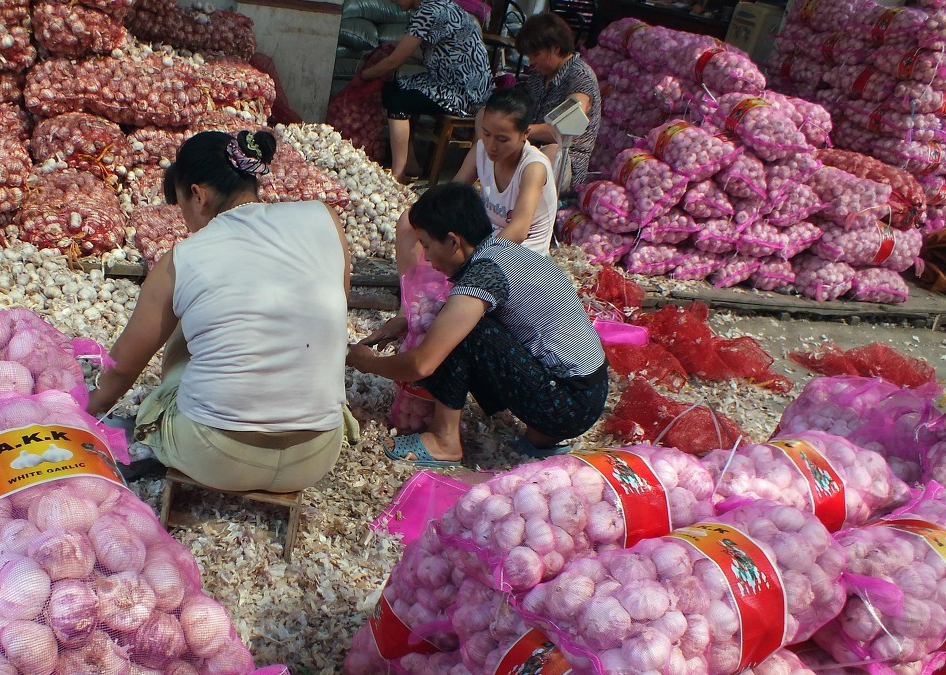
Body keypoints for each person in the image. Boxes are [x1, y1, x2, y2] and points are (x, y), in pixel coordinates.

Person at [86, 130, 350, 493]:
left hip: (218, 457)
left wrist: (84, 410)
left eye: (182, 209)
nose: (187, 223)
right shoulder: (325, 219)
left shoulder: (182, 260)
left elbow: (122, 370)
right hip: (315, 455)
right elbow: (331, 316)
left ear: (198, 196)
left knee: (183, 331)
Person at [347, 183, 606, 467]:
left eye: (427, 245)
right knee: (455, 320)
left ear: (453, 241)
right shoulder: (502, 249)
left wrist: (369, 363)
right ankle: (541, 434)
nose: (427, 257)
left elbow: (422, 365)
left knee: (458, 331)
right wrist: (403, 322)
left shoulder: (483, 276)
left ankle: (444, 441)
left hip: (567, 404)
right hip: (586, 391)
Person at [394, 86, 557, 274]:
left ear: (525, 134)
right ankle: (409, 298)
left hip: (520, 254)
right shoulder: (481, 151)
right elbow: (451, 195)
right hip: (485, 240)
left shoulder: (533, 167)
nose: (492, 146)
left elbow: (519, 230)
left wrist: (478, 259)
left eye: (502, 139)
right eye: (486, 134)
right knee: (408, 220)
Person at [358, 0, 493, 184]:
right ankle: (410, 163)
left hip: (464, 92)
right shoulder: (439, 5)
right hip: (450, 82)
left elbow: (393, 62)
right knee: (392, 89)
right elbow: (430, 53)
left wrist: (364, 76)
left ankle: (397, 174)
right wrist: (396, 47)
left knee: (398, 101)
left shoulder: (429, 12)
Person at [516, 12, 601, 191]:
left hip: (564, 162)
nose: (531, 61)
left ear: (555, 48)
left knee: (551, 152)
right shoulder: (538, 76)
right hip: (531, 148)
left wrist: (518, 130)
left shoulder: (580, 77)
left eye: (536, 54)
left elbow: (562, 130)